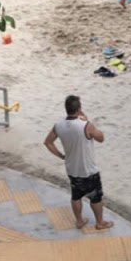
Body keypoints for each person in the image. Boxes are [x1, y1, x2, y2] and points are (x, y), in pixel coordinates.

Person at [43, 94, 113, 230]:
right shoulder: (86, 125)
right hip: (88, 170)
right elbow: (101, 138)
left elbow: (48, 142)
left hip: (72, 169)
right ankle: (100, 222)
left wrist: (61, 156)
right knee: (96, 197)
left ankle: (79, 221)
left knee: (76, 196)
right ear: (79, 109)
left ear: (66, 109)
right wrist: (88, 120)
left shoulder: (58, 126)